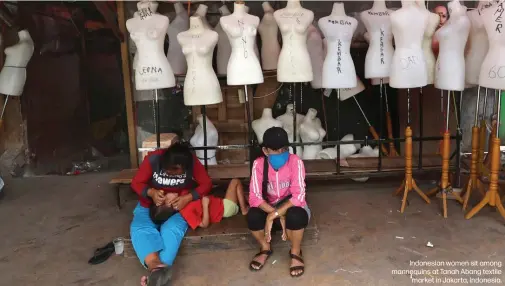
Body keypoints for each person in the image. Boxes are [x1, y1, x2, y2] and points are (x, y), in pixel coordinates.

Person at [130, 142, 212, 286]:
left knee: (171, 230)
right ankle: (157, 268)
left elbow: (206, 184)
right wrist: (151, 192)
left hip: (177, 207)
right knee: (140, 228)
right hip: (149, 205)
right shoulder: (153, 159)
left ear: (185, 167)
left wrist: (187, 198)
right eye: (167, 169)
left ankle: (156, 270)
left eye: (175, 171)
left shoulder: (192, 162)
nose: (170, 173)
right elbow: (136, 183)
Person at [246, 126, 309, 278]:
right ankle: (265, 247)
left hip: (290, 206)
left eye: (284, 149)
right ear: (265, 151)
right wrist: (276, 214)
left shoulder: (295, 162)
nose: (281, 154)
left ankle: (295, 251)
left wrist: (272, 215)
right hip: (271, 207)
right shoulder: (259, 164)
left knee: (297, 216)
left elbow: (299, 196)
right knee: (252, 215)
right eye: (275, 150)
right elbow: (254, 197)